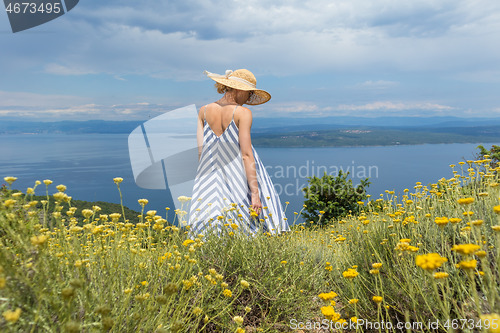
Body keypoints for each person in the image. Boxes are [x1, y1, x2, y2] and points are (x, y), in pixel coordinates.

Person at [187, 69, 290, 236]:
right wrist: (255, 194)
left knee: (210, 230)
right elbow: (246, 154)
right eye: (249, 93)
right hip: (240, 174)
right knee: (253, 227)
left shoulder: (203, 111)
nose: (249, 98)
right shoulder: (243, 113)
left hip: (210, 176)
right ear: (238, 89)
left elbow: (201, 152)